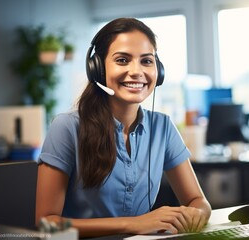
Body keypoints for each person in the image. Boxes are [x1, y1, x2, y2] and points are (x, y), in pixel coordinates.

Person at [35, 17, 211, 238]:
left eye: (146, 61)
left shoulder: (162, 127)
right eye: (122, 60)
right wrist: (134, 224)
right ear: (97, 68)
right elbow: (46, 223)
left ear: (159, 71)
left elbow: (199, 201)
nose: (136, 71)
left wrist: (195, 215)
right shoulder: (67, 127)